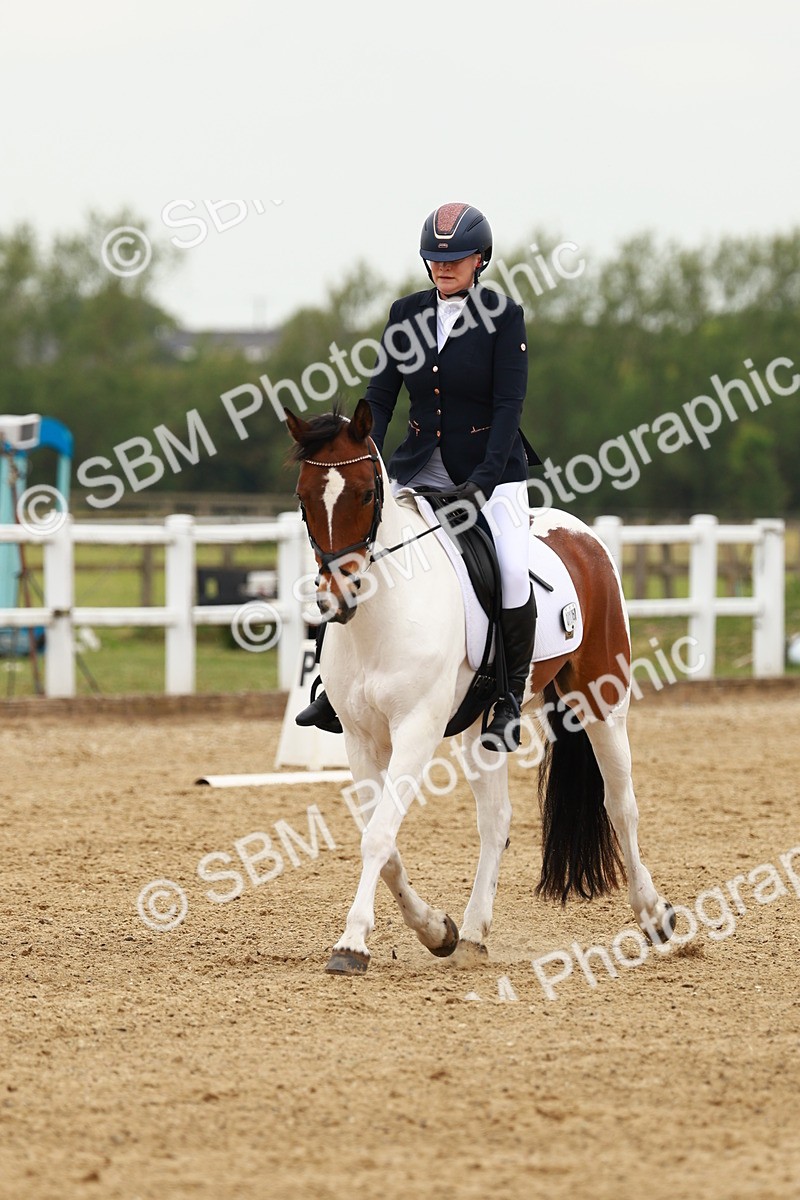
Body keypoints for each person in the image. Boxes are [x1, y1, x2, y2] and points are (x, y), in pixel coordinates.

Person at [296, 201, 539, 751]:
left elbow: (508, 409)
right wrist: (362, 458)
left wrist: (481, 481)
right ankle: (329, 686)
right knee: (353, 548)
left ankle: (506, 700)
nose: (443, 266)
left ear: (480, 260)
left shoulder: (504, 317)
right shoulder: (405, 314)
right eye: (435, 257)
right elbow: (380, 398)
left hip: (493, 474)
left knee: (511, 565)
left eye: (455, 259)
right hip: (415, 466)